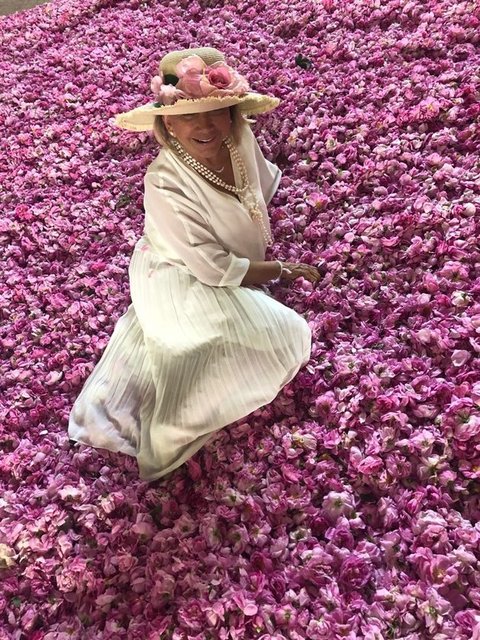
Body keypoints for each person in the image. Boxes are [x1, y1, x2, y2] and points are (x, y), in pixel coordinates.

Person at [68, 47, 320, 481]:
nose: (204, 126)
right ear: (167, 122)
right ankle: (167, 428)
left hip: (225, 262)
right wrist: (280, 269)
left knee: (268, 338)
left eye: (216, 111)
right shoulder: (163, 182)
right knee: (267, 337)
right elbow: (211, 268)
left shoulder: (239, 139)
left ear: (232, 113)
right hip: (179, 271)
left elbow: (260, 185)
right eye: (187, 116)